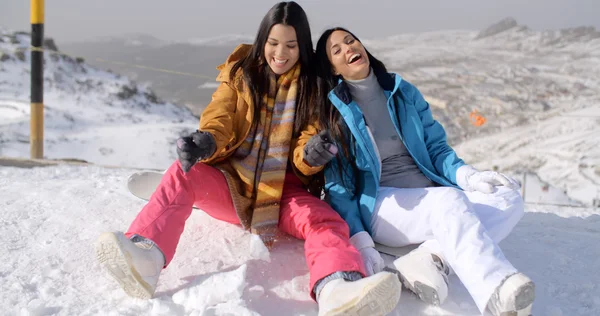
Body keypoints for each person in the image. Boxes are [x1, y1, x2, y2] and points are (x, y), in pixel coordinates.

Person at [94, 3, 402, 316]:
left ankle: (336, 287)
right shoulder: (241, 72)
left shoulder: (314, 87)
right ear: (262, 40)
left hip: (285, 193)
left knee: (324, 220)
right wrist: (208, 141)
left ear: (302, 47)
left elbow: (305, 145)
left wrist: (311, 154)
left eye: (291, 46)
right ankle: (146, 258)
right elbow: (222, 115)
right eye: (273, 43)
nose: (280, 53)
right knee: (182, 173)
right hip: (234, 184)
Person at [307, 26, 536, 316]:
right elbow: (340, 186)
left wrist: (470, 176)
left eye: (350, 41)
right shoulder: (333, 112)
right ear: (333, 68)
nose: (348, 48)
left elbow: (436, 148)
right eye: (337, 50)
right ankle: (495, 290)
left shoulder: (401, 92)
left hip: (429, 195)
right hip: (382, 206)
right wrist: (361, 240)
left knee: (507, 196)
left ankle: (430, 257)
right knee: (449, 201)